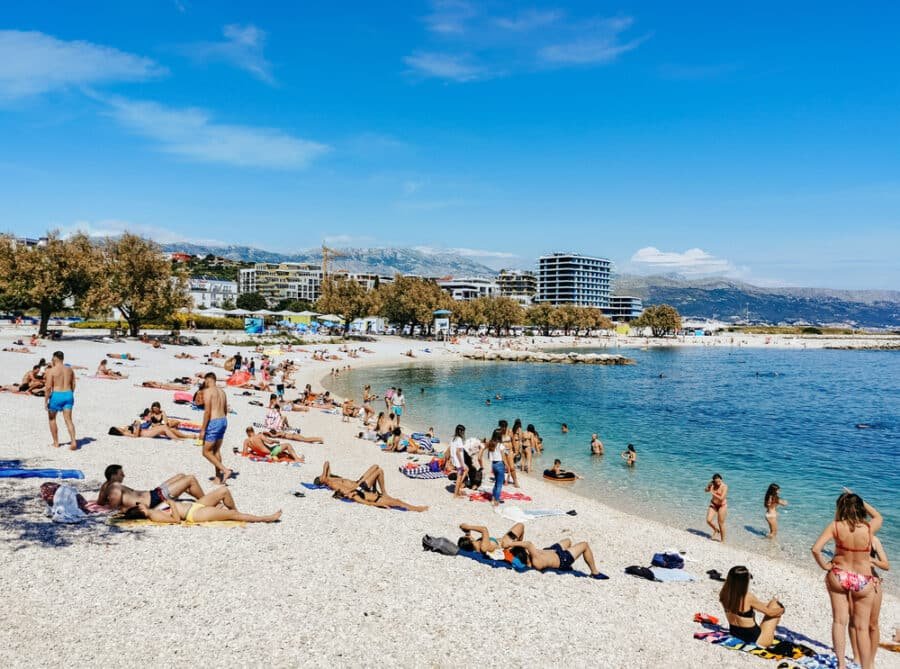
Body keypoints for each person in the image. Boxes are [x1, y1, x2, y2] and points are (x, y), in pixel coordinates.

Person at [811, 492, 883, 669]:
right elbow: (878, 516)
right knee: (862, 628)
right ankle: (866, 667)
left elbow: (816, 549)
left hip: (839, 574)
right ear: (859, 508)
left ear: (841, 507)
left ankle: (841, 665)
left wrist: (825, 566)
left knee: (839, 622)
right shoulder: (868, 528)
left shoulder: (835, 526)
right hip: (863, 579)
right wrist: (860, 500)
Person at [120, 485, 281, 524]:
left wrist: (124, 513)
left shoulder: (151, 510)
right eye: (139, 506)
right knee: (232, 515)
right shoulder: (153, 515)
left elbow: (127, 511)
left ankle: (237, 515)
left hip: (196, 506)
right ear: (141, 510)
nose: (141, 504)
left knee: (223, 491)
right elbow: (175, 520)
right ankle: (265, 518)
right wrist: (171, 503)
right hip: (194, 514)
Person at [718, 565, 785, 647]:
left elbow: (749, 606)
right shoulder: (748, 597)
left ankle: (769, 632)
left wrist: (768, 605)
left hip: (735, 634)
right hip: (757, 640)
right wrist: (782, 609)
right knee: (776, 604)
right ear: (744, 581)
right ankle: (770, 635)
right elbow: (770, 613)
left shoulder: (724, 594)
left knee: (771, 604)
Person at [849, 536, 889, 667]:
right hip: (852, 582)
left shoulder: (874, 540)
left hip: (873, 583)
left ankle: (870, 661)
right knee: (853, 621)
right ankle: (856, 658)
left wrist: (872, 560)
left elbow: (886, 565)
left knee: (873, 624)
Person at [98, 465, 205, 510]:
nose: (124, 476)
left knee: (181, 476)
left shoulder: (106, 485)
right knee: (190, 479)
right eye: (121, 474)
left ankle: (201, 497)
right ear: (113, 476)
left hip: (154, 493)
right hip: (155, 500)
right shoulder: (115, 487)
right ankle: (206, 501)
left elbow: (100, 502)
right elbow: (114, 507)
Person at [507, 537, 605, 578]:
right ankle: (594, 573)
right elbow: (528, 544)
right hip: (562, 559)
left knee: (568, 541)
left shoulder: (531, 556)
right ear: (525, 553)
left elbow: (525, 546)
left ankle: (570, 560)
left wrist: (510, 546)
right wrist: (510, 543)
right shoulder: (536, 561)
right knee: (584, 545)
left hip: (550, 550)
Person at [199, 372, 231, 485]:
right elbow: (225, 410)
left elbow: (207, 412)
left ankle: (225, 470)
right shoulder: (222, 392)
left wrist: (203, 429)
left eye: (205, 381)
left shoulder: (208, 391)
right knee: (216, 450)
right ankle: (218, 478)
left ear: (207, 380)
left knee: (206, 452)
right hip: (223, 420)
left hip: (214, 421)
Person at [45, 350, 77, 449]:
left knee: (52, 419)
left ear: (55, 358)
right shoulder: (69, 369)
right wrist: (70, 394)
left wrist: (46, 400)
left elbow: (48, 387)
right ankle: (73, 441)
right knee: (68, 420)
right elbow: (73, 384)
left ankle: (56, 443)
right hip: (68, 394)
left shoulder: (51, 370)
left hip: (57, 395)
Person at [315, 461, 388, 497]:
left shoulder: (328, 477)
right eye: (321, 477)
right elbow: (346, 491)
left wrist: (324, 473)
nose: (322, 475)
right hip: (360, 487)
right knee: (379, 471)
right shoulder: (331, 484)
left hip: (358, 482)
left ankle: (374, 489)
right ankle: (384, 493)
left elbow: (327, 462)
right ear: (322, 481)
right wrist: (358, 485)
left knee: (375, 466)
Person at [457, 522, 525, 557]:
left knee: (520, 527)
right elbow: (484, 529)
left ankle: (519, 547)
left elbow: (468, 534)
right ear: (470, 540)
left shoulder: (476, 544)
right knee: (520, 525)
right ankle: (518, 548)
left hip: (504, 540)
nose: (467, 535)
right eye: (466, 536)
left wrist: (465, 529)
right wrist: (468, 527)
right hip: (507, 543)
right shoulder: (483, 547)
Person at [480, 429, 506, 507]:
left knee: (496, 482)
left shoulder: (490, 444)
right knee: (499, 484)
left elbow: (483, 447)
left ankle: (493, 498)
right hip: (500, 464)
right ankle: (496, 501)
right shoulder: (500, 445)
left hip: (493, 465)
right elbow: (503, 458)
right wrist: (507, 466)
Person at [705, 473, 728, 542]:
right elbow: (705, 490)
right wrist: (708, 487)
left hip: (722, 506)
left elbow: (721, 498)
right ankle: (715, 529)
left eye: (719, 481)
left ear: (721, 479)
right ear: (714, 481)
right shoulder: (713, 484)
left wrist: (712, 492)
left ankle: (723, 541)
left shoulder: (725, 487)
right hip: (713, 504)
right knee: (708, 520)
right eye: (716, 482)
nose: (718, 483)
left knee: (720, 523)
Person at [449, 424, 468, 499]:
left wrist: (451, 460)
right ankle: (455, 494)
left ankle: (458, 490)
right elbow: (458, 452)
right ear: (461, 431)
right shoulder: (459, 439)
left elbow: (451, 449)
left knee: (466, 470)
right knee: (459, 477)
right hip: (458, 461)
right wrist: (462, 463)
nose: (464, 433)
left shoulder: (453, 438)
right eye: (463, 431)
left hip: (455, 460)